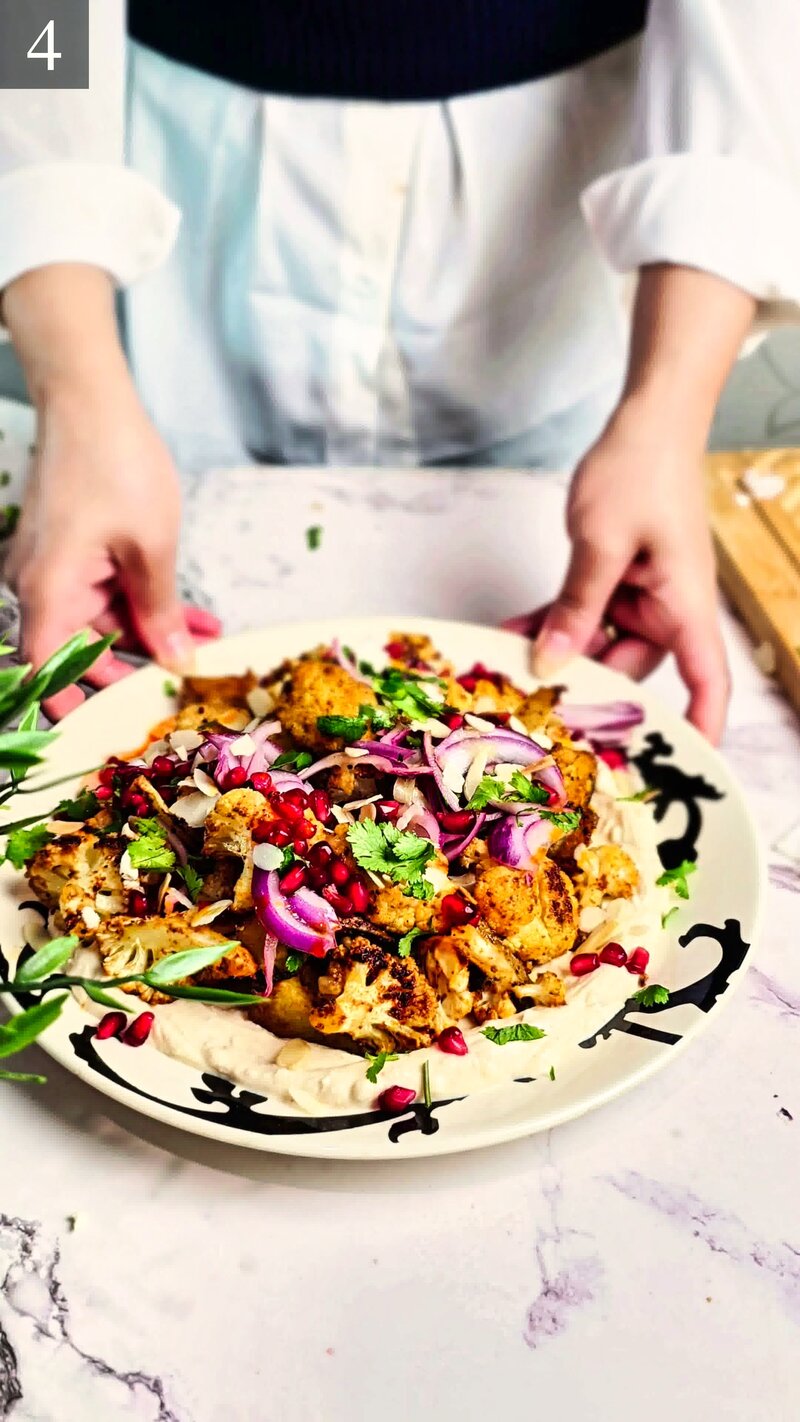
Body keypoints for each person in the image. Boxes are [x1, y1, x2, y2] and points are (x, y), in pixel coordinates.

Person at [0, 0, 798, 735]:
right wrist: (80, 393)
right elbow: (37, 22)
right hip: (189, 179)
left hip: (547, 197)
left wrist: (665, 416)